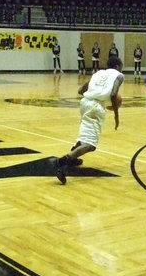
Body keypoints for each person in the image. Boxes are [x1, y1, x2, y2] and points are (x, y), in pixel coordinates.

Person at [52, 56, 124, 184]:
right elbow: (113, 94)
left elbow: (84, 87)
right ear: (118, 66)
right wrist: (116, 115)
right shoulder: (119, 75)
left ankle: (74, 157)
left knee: (85, 134)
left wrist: (86, 91)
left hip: (85, 103)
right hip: (96, 107)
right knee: (90, 145)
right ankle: (65, 161)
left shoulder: (100, 72)